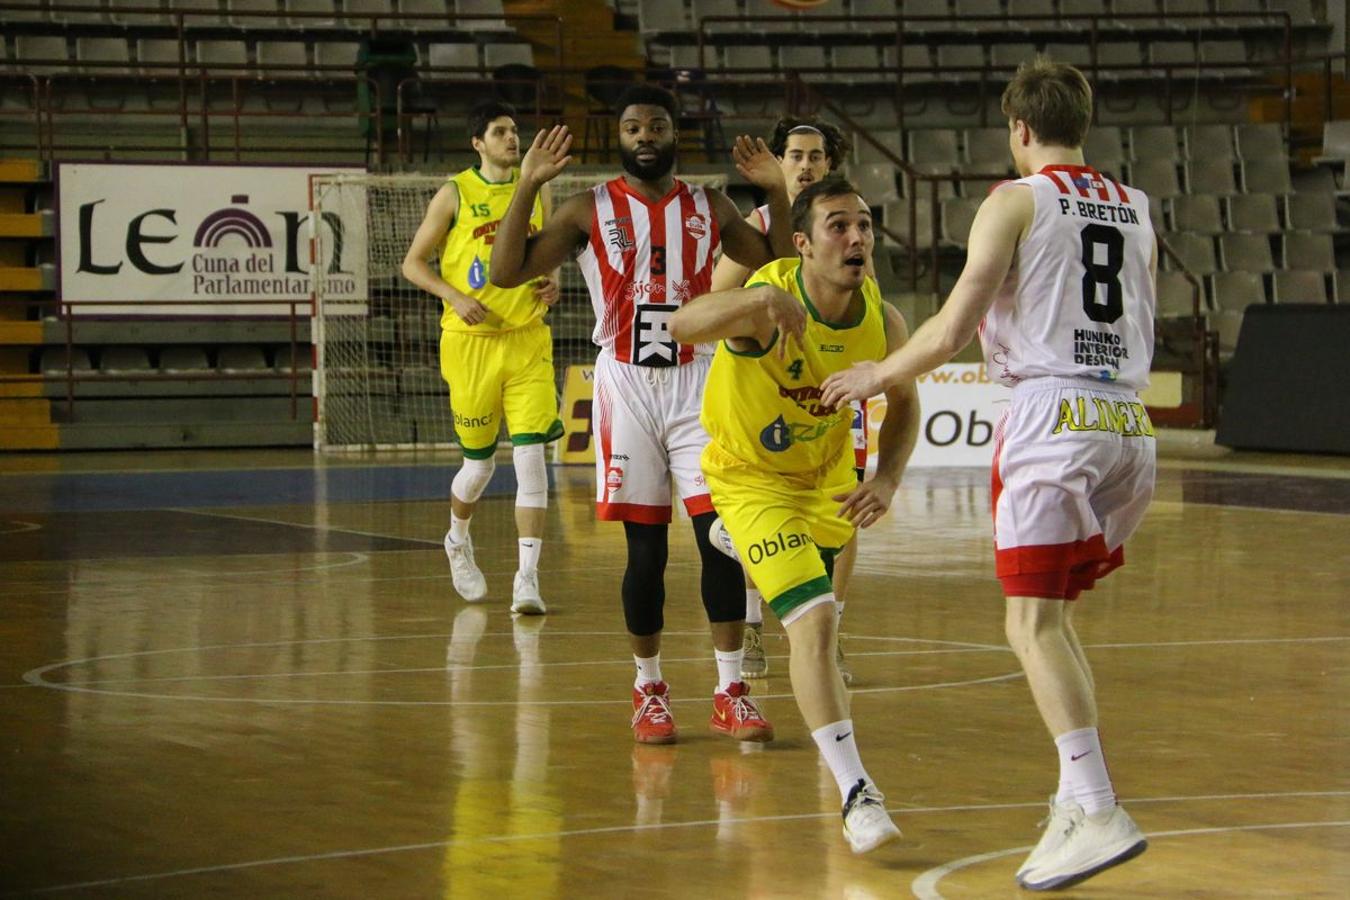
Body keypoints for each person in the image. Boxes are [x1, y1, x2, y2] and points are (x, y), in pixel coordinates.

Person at [820, 57, 1155, 890]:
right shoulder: (1136, 205)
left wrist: (877, 374)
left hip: (1052, 418)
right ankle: (1076, 798)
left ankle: (1097, 804)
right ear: (1084, 123)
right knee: (1051, 621)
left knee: (1029, 627)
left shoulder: (1015, 199)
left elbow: (955, 324)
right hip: (1128, 423)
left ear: (1018, 129)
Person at [490, 84, 797, 745]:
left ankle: (730, 690)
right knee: (646, 550)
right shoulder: (585, 208)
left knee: (720, 539)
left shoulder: (708, 205)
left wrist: (775, 191)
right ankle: (649, 688)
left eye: (657, 124)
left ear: (674, 134)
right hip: (626, 385)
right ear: (619, 138)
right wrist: (527, 184)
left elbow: (780, 267)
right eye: (633, 127)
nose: (646, 135)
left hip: (698, 384)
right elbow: (504, 270)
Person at [669, 177, 921, 854]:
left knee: (815, 600)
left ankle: (740, 545)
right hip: (752, 479)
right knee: (815, 622)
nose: (857, 238)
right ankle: (856, 791)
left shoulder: (882, 319)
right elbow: (679, 324)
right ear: (804, 245)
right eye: (839, 226)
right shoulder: (769, 302)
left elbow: (904, 401)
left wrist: (888, 477)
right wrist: (754, 293)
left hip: (827, 483)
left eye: (864, 225)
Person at [709, 116, 865, 684]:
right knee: (768, 502)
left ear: (829, 164)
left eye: (814, 156)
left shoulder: (848, 219)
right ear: (778, 163)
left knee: (845, 511)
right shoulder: (758, 224)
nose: (804, 165)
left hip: (834, 382)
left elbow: (866, 296)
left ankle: (832, 632)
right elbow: (715, 302)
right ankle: (753, 624)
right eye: (794, 155)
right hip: (768, 385)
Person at [401, 100, 563, 616]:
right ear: (478, 143)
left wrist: (552, 280)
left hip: (528, 338)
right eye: (500, 132)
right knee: (479, 465)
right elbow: (412, 264)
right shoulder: (454, 193)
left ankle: (527, 579)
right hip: (469, 344)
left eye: (514, 131)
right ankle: (456, 538)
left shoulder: (536, 188)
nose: (512, 139)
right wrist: (454, 296)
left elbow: (549, 252)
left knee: (532, 457)